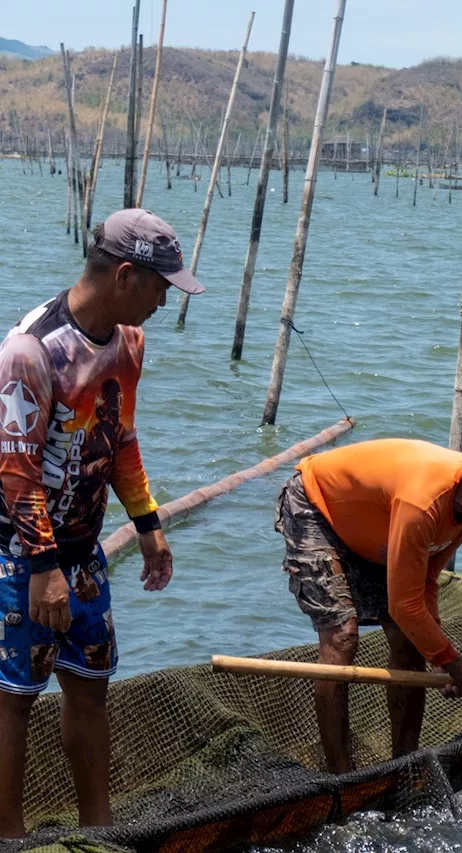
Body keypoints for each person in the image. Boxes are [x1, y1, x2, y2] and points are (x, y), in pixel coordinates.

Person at [0, 209, 204, 837]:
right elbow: (14, 472)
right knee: (14, 701)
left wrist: (146, 521)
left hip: (84, 553)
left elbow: (119, 437)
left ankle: (99, 832)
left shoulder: (129, 341)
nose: (166, 300)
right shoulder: (29, 352)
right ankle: (9, 834)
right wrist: (43, 569)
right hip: (20, 554)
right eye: (161, 286)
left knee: (90, 688)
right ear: (123, 275)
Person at [274, 438, 462, 774]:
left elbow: (428, 579)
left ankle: (404, 764)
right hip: (318, 506)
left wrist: (440, 664)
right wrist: (458, 667)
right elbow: (405, 607)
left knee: (409, 641)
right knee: (343, 638)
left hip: (376, 525)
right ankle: (340, 776)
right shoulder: (424, 503)